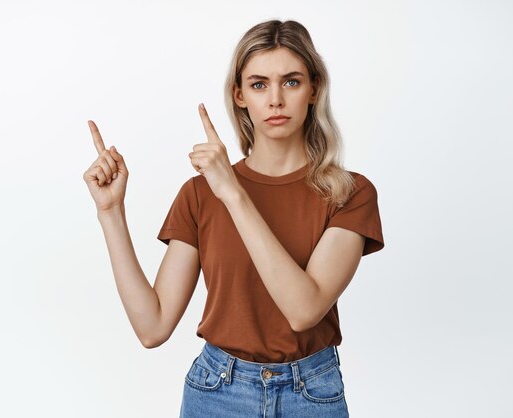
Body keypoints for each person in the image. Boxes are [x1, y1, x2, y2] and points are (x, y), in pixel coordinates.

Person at [83, 19, 384, 418]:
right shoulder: (201, 194)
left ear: (313, 90)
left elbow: (303, 309)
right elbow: (152, 327)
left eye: (291, 82)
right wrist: (111, 213)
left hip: (311, 393)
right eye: (259, 84)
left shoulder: (349, 193)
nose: (275, 99)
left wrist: (233, 192)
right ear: (239, 95)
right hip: (217, 392)